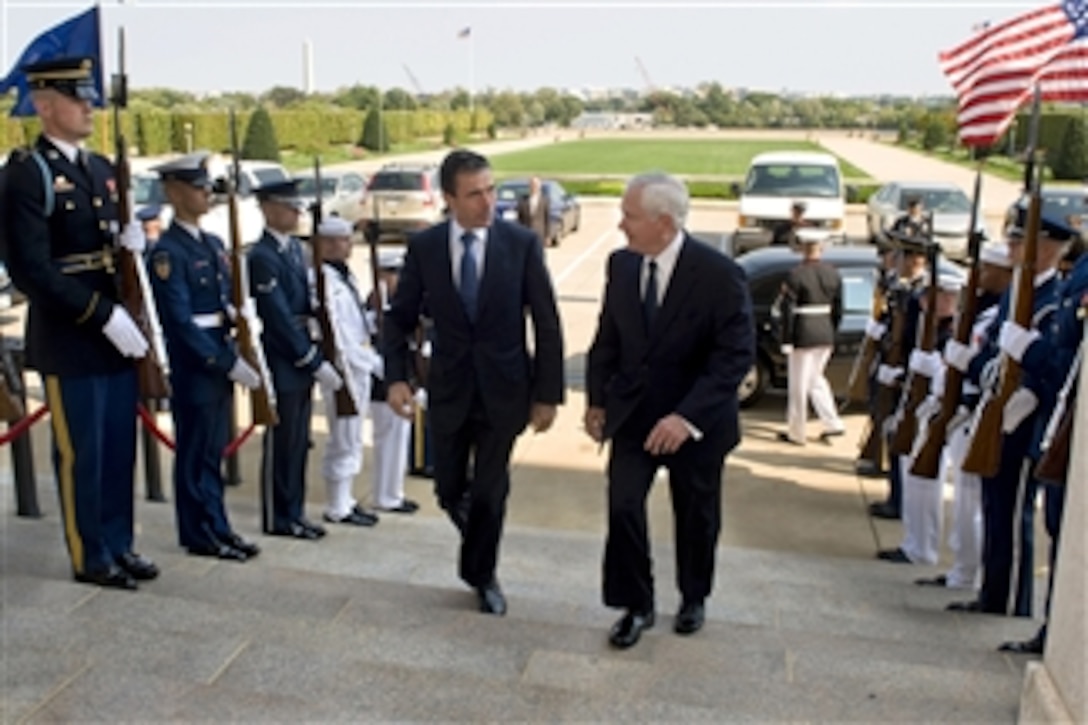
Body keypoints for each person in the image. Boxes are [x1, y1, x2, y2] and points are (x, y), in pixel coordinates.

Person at [383, 149, 565, 616]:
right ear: (449, 199)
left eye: (490, 190)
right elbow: (399, 318)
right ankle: (480, 550)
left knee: (489, 489)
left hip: (506, 390)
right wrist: (396, 378)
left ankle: (482, 574)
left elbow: (546, 321)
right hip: (449, 388)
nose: (488, 203)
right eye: (474, 195)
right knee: (447, 489)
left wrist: (547, 395)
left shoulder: (521, 244)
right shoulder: (426, 248)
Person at [0, 57, 158, 589]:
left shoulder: (99, 170)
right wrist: (102, 313)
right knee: (83, 453)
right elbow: (32, 270)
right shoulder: (27, 174)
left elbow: (110, 250)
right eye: (76, 97)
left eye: (89, 95)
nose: (90, 105)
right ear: (44, 105)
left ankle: (119, 543)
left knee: (118, 447)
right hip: (72, 335)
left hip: (115, 335)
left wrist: (132, 248)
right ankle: (90, 553)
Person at [585, 172, 754, 649]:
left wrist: (687, 418)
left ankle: (694, 596)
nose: (621, 225)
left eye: (629, 216)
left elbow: (734, 356)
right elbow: (607, 339)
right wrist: (597, 399)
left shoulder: (721, 275)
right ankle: (635, 603)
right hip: (634, 417)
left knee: (696, 514)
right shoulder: (620, 266)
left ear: (664, 223)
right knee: (622, 506)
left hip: (695, 423)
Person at [945, 213, 1074, 617]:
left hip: (1025, 420)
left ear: (1047, 249)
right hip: (998, 410)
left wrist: (1028, 390)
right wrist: (972, 363)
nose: (1013, 250)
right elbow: (998, 354)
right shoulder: (1018, 292)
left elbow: (1054, 366)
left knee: (1013, 509)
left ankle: (1012, 600)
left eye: (1022, 243)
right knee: (994, 506)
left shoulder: (1054, 296)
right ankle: (992, 591)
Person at [147, 151, 261, 561]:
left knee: (213, 448)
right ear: (174, 192)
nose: (205, 194)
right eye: (197, 188)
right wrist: (223, 361)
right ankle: (198, 532)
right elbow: (179, 321)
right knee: (195, 451)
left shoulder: (213, 243)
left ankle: (218, 524)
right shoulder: (167, 251)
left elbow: (223, 300)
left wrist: (238, 316)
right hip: (197, 363)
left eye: (206, 187)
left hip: (219, 352)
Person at [997, 247, 1086, 654]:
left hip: (1069, 421)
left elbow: (1068, 357)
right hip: (1060, 421)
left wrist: (1031, 353)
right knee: (1058, 530)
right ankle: (1054, 631)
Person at [915, 241, 1014, 590]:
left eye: (988, 269)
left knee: (972, 503)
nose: (981, 275)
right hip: (963, 410)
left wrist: (962, 364)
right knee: (965, 502)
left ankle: (970, 572)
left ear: (1005, 273)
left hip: (976, 413)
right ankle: (963, 568)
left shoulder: (995, 314)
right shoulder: (985, 312)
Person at [248, 179, 344, 540]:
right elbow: (278, 318)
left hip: (301, 355)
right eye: (289, 207)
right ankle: (278, 515)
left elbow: (305, 308)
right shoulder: (262, 256)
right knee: (282, 441)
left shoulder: (292, 251)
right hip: (284, 357)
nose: (296, 213)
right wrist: (311, 358)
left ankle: (295, 511)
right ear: (269, 209)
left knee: (299, 441)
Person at [313, 216, 381, 527]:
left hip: (357, 363)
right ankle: (337, 506)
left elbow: (352, 323)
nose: (347, 245)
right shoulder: (322, 279)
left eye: (347, 239)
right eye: (340, 240)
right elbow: (335, 333)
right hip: (345, 369)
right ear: (325, 244)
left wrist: (373, 319)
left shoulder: (343, 276)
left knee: (352, 435)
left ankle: (346, 498)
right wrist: (368, 362)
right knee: (344, 436)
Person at [773, 230, 845, 446]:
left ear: (804, 248)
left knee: (798, 385)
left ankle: (797, 431)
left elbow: (787, 309)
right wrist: (832, 330)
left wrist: (786, 339)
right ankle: (833, 424)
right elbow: (839, 308)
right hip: (825, 331)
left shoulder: (796, 274)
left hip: (802, 333)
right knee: (816, 380)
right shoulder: (833, 273)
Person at [368, 248, 419, 514]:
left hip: (401, 380)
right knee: (387, 439)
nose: (395, 278)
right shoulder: (374, 303)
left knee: (398, 439)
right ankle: (384, 496)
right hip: (382, 382)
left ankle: (392, 492)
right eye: (391, 273)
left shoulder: (400, 301)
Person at [516, 176, 552, 247]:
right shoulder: (523, 200)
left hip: (539, 235)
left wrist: (548, 236)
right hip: (526, 234)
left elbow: (547, 219)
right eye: (532, 185)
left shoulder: (545, 200)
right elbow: (519, 219)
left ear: (539, 186)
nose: (534, 187)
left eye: (536, 185)